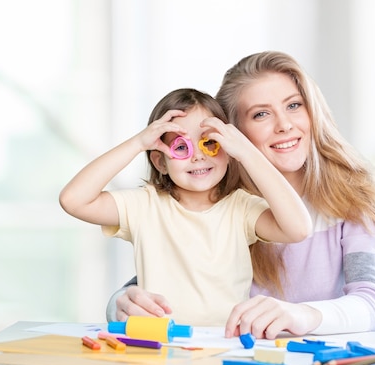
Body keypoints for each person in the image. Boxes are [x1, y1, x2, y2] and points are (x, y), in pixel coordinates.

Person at [106, 51, 375, 339]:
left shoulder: (354, 197)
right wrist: (120, 302)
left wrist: (301, 315)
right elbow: (172, 280)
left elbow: (371, 304)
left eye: (294, 105)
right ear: (232, 133)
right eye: (261, 114)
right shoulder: (226, 203)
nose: (284, 125)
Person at [59, 88, 312, 326]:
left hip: (226, 343)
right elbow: (73, 200)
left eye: (209, 143)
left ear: (228, 149)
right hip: (160, 342)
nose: (198, 156)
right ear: (160, 162)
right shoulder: (144, 206)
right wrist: (138, 143)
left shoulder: (241, 208)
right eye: (181, 147)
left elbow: (298, 229)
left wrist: (246, 152)